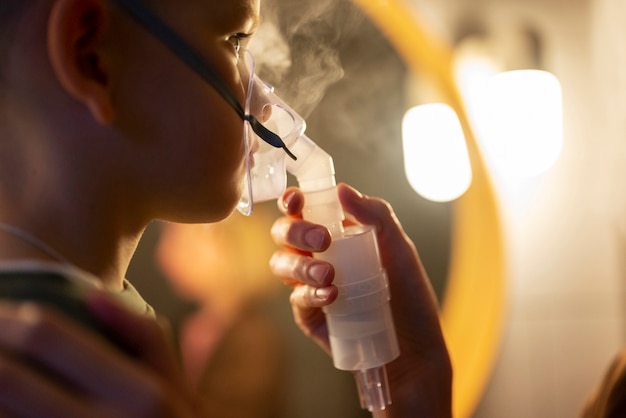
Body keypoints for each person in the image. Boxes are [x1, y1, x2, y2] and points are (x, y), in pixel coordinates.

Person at [0, 0, 452, 417]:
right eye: (234, 42)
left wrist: (415, 386)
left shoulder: (101, 345)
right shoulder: (40, 375)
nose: (262, 101)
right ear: (91, 54)